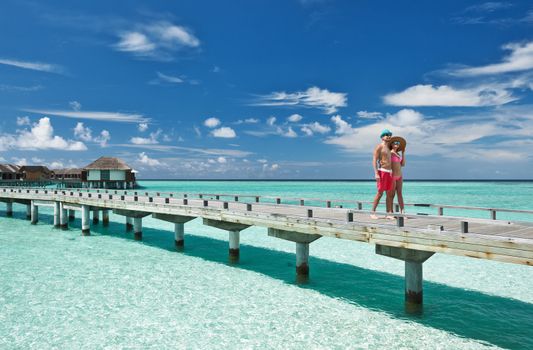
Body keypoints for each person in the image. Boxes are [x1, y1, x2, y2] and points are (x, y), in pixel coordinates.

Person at [371, 129, 394, 219]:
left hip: (390, 172)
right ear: (382, 137)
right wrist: (376, 173)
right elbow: (374, 160)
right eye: (386, 134)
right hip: (382, 171)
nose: (388, 136)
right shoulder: (379, 147)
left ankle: (388, 213)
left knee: (389, 194)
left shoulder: (389, 148)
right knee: (380, 193)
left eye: (389, 135)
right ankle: (372, 212)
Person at [389, 136, 407, 214]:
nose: (397, 144)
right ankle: (390, 212)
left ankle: (402, 211)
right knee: (392, 194)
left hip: (400, 176)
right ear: (391, 144)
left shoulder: (398, 154)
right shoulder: (390, 153)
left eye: (398, 143)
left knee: (400, 193)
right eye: (395, 142)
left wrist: (403, 153)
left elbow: (403, 164)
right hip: (392, 176)